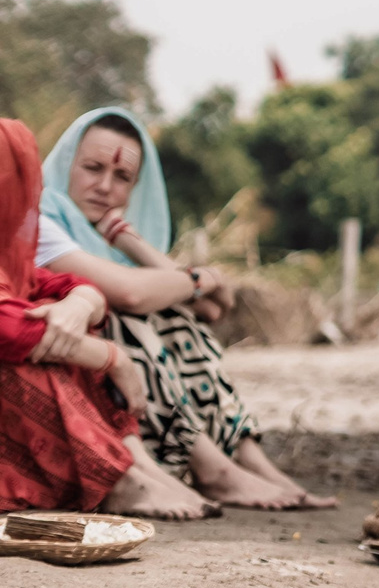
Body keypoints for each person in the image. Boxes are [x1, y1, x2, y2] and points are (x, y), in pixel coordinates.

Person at [38, 108, 333, 512]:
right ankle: (211, 467)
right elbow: (132, 294)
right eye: (92, 168)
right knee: (131, 317)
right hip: (82, 364)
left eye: (122, 177)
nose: (105, 186)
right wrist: (201, 277)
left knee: (177, 319)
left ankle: (250, 461)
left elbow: (211, 308)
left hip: (128, 379)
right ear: (65, 164)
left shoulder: (106, 237)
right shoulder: (41, 220)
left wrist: (126, 238)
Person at [0, 119, 206, 517]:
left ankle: (137, 465)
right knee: (41, 354)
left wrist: (79, 303)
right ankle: (115, 479)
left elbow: (65, 284)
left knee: (64, 321)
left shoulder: (14, 248)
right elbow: (11, 329)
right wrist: (113, 357)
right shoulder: (46, 226)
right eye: (16, 178)